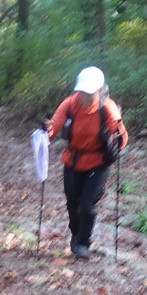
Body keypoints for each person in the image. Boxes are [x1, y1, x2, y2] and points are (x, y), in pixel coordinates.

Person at [45, 66, 129, 259]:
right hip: (73, 161)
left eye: (89, 93)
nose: (84, 96)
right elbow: (54, 126)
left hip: (98, 163)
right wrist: (47, 129)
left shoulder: (107, 108)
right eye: (82, 91)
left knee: (87, 205)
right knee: (72, 203)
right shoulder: (69, 104)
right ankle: (75, 235)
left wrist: (118, 134)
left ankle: (84, 243)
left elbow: (122, 138)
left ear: (99, 91)